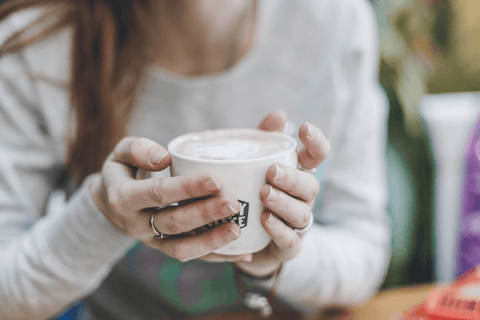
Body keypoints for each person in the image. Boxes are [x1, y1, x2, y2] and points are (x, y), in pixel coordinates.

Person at [0, 0, 390, 319]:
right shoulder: (37, 44)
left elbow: (365, 252)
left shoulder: (334, 20)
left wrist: (271, 253)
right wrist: (102, 213)